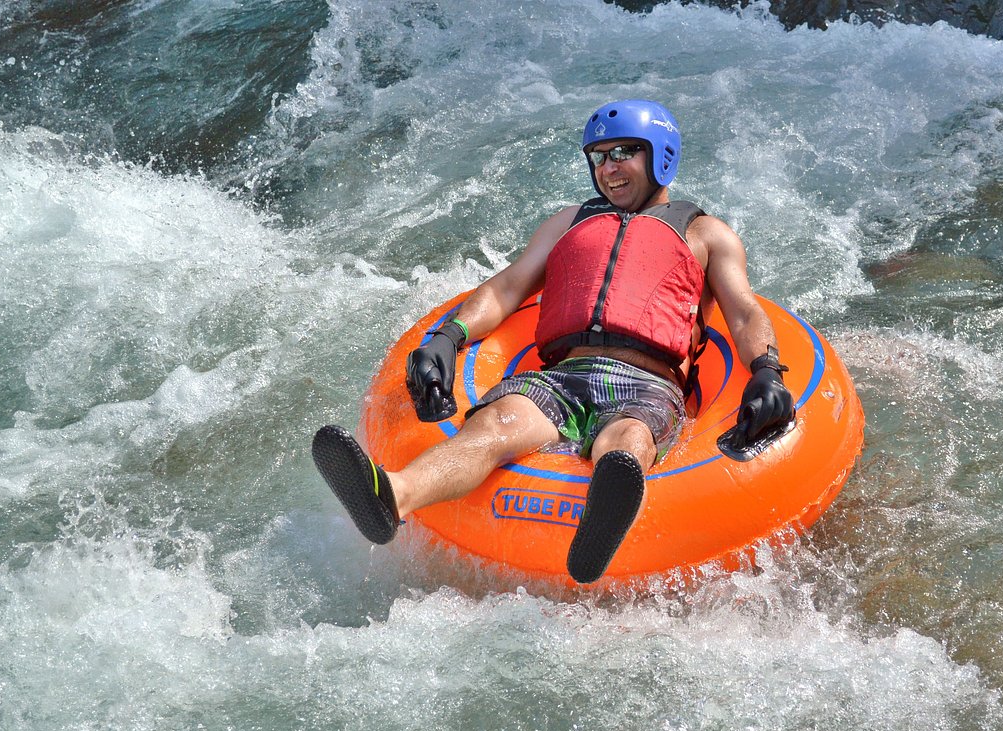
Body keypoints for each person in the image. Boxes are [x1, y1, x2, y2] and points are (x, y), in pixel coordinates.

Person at [313, 99, 793, 584]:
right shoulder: (570, 222)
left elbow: (745, 311)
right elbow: (507, 287)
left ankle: (599, 524)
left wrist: (767, 372)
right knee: (494, 425)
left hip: (646, 383)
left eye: (624, 152)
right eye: (599, 157)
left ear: (660, 154)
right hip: (562, 376)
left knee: (626, 440)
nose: (610, 168)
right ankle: (391, 495)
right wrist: (448, 338)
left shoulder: (704, 233)